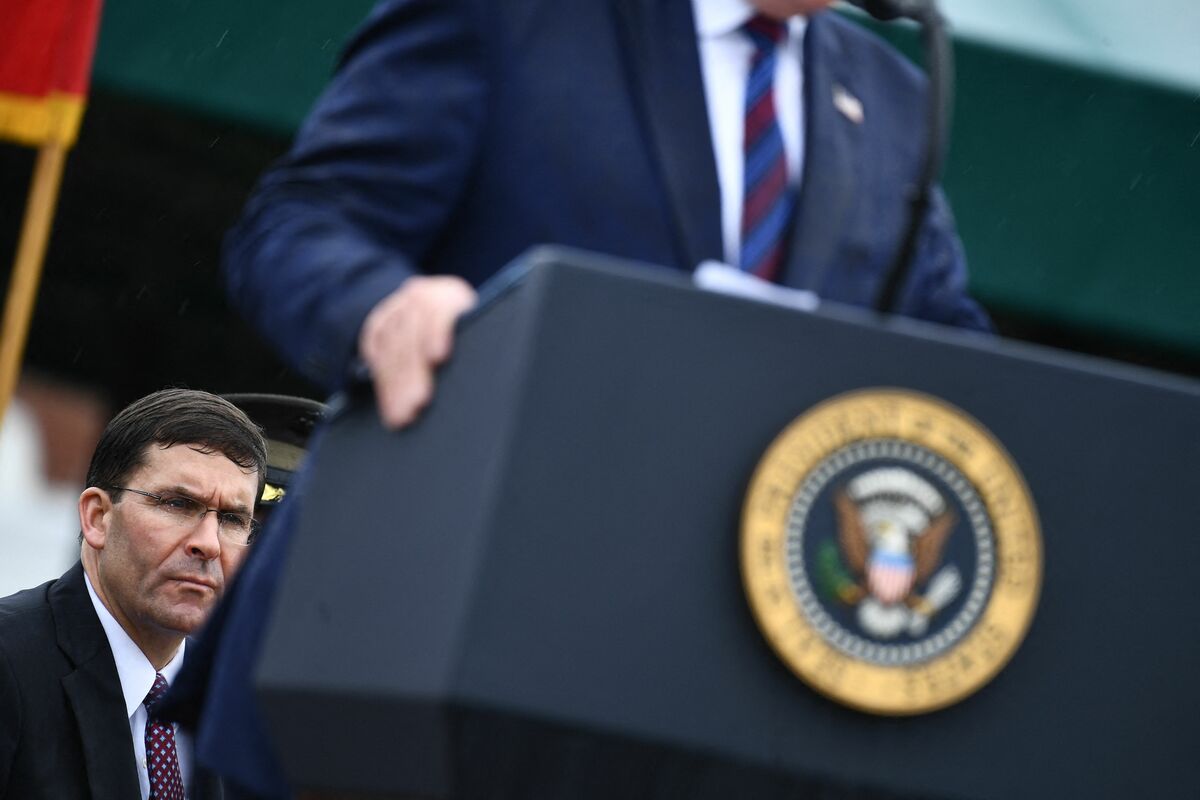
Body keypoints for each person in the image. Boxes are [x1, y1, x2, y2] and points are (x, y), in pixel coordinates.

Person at [200, 0, 992, 795]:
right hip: (401, 653)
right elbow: (299, 225)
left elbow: (956, 363)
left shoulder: (890, 95)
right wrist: (382, 309)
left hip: (678, 702)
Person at [0, 388, 267, 799]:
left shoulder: (242, 700)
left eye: (232, 519)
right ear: (97, 517)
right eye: (178, 503)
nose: (209, 543)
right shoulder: (10, 661)